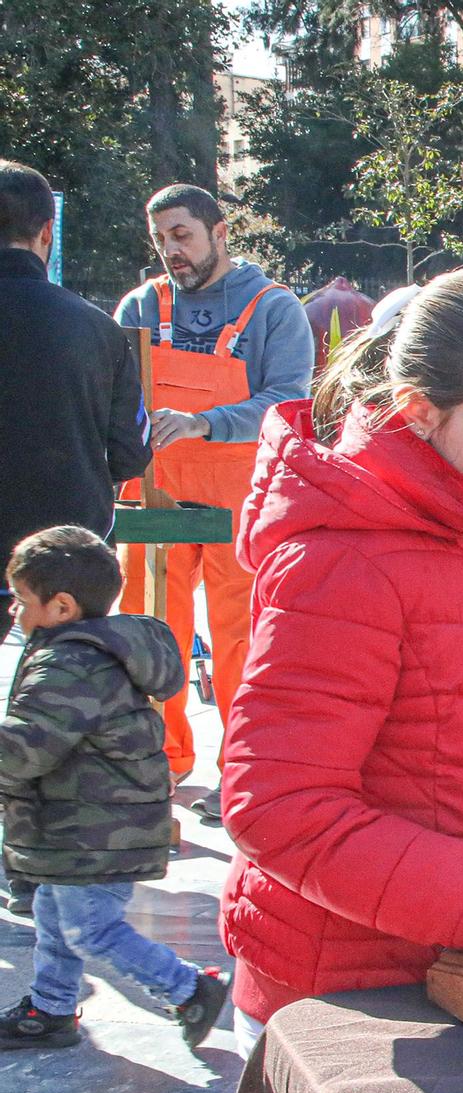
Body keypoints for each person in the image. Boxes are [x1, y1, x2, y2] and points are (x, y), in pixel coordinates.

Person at [218, 267, 463, 1052]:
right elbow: (275, 803)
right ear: (419, 413)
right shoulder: (344, 560)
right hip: (333, 994)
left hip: (443, 968)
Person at [113, 184, 314, 817]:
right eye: (161, 239)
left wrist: (206, 423)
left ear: (220, 231)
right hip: (155, 493)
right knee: (150, 630)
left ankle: (242, 771)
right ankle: (156, 762)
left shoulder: (273, 310)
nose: (172, 250)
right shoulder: (141, 307)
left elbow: (285, 405)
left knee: (239, 639)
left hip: (239, 499)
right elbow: (118, 400)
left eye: (183, 235)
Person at [0, 527, 229, 1050]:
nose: (15, 612)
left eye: (21, 600)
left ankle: (189, 987)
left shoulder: (70, 664)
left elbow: (27, 747)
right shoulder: (76, 652)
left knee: (90, 929)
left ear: (61, 606)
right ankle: (50, 1007)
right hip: (83, 823)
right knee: (55, 918)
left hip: (99, 830)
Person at [0, 163, 150, 632]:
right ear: (47, 232)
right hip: (65, 549)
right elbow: (130, 453)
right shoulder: (98, 329)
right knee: (67, 690)